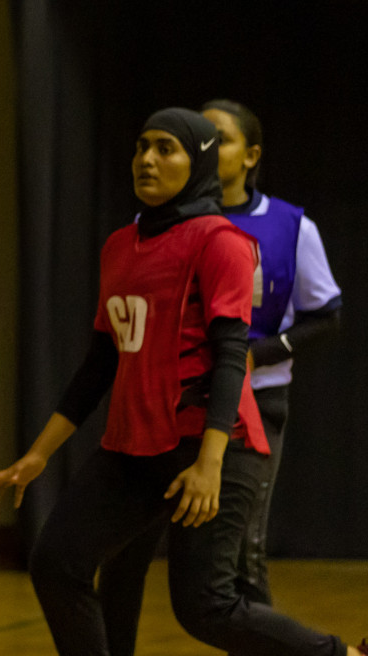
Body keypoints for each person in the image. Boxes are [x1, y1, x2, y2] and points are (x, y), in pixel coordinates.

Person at [0, 108, 368, 656]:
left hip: (212, 444)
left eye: (166, 149)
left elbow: (232, 354)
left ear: (200, 162)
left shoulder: (221, 241)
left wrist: (209, 465)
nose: (147, 160)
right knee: (57, 562)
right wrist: (37, 455)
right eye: (141, 147)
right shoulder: (120, 245)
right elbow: (100, 362)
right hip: (135, 445)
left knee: (206, 607)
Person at [94, 100, 343, 656]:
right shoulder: (155, 223)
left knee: (236, 559)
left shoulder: (290, 225)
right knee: (125, 550)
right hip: (169, 411)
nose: (206, 141)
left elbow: (326, 314)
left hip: (250, 410)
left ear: (250, 155)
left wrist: (260, 350)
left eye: (220, 136)